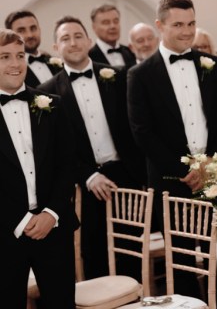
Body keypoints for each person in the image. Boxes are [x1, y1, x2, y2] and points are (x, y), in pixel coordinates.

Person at [127, 0, 217, 308]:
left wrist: (210, 164)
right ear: (160, 25)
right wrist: (184, 172)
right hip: (171, 182)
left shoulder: (212, 66)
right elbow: (142, 133)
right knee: (181, 257)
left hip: (216, 176)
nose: (187, 31)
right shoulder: (141, 75)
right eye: (178, 25)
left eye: (191, 23)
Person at [39, 15, 145, 280]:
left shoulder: (118, 78)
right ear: (55, 47)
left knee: (132, 250)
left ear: (88, 41)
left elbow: (135, 128)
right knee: (94, 252)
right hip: (84, 183)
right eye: (65, 38)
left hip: (126, 176)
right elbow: (56, 149)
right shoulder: (46, 93)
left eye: (77, 36)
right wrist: (87, 175)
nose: (73, 43)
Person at [0, 29, 78, 308]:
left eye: (20, 56)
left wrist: (52, 212)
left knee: (61, 302)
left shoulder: (51, 104)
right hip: (5, 232)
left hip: (53, 228)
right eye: (4, 57)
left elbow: (67, 163)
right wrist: (20, 221)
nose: (15, 63)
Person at [5, 10, 62, 86]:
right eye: (21, 31)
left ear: (39, 30)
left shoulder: (56, 62)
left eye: (33, 28)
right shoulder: (7, 70)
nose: (30, 35)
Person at [89, 4, 136, 69]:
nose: (113, 26)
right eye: (106, 22)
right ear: (94, 27)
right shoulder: (88, 58)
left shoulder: (131, 52)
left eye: (116, 21)